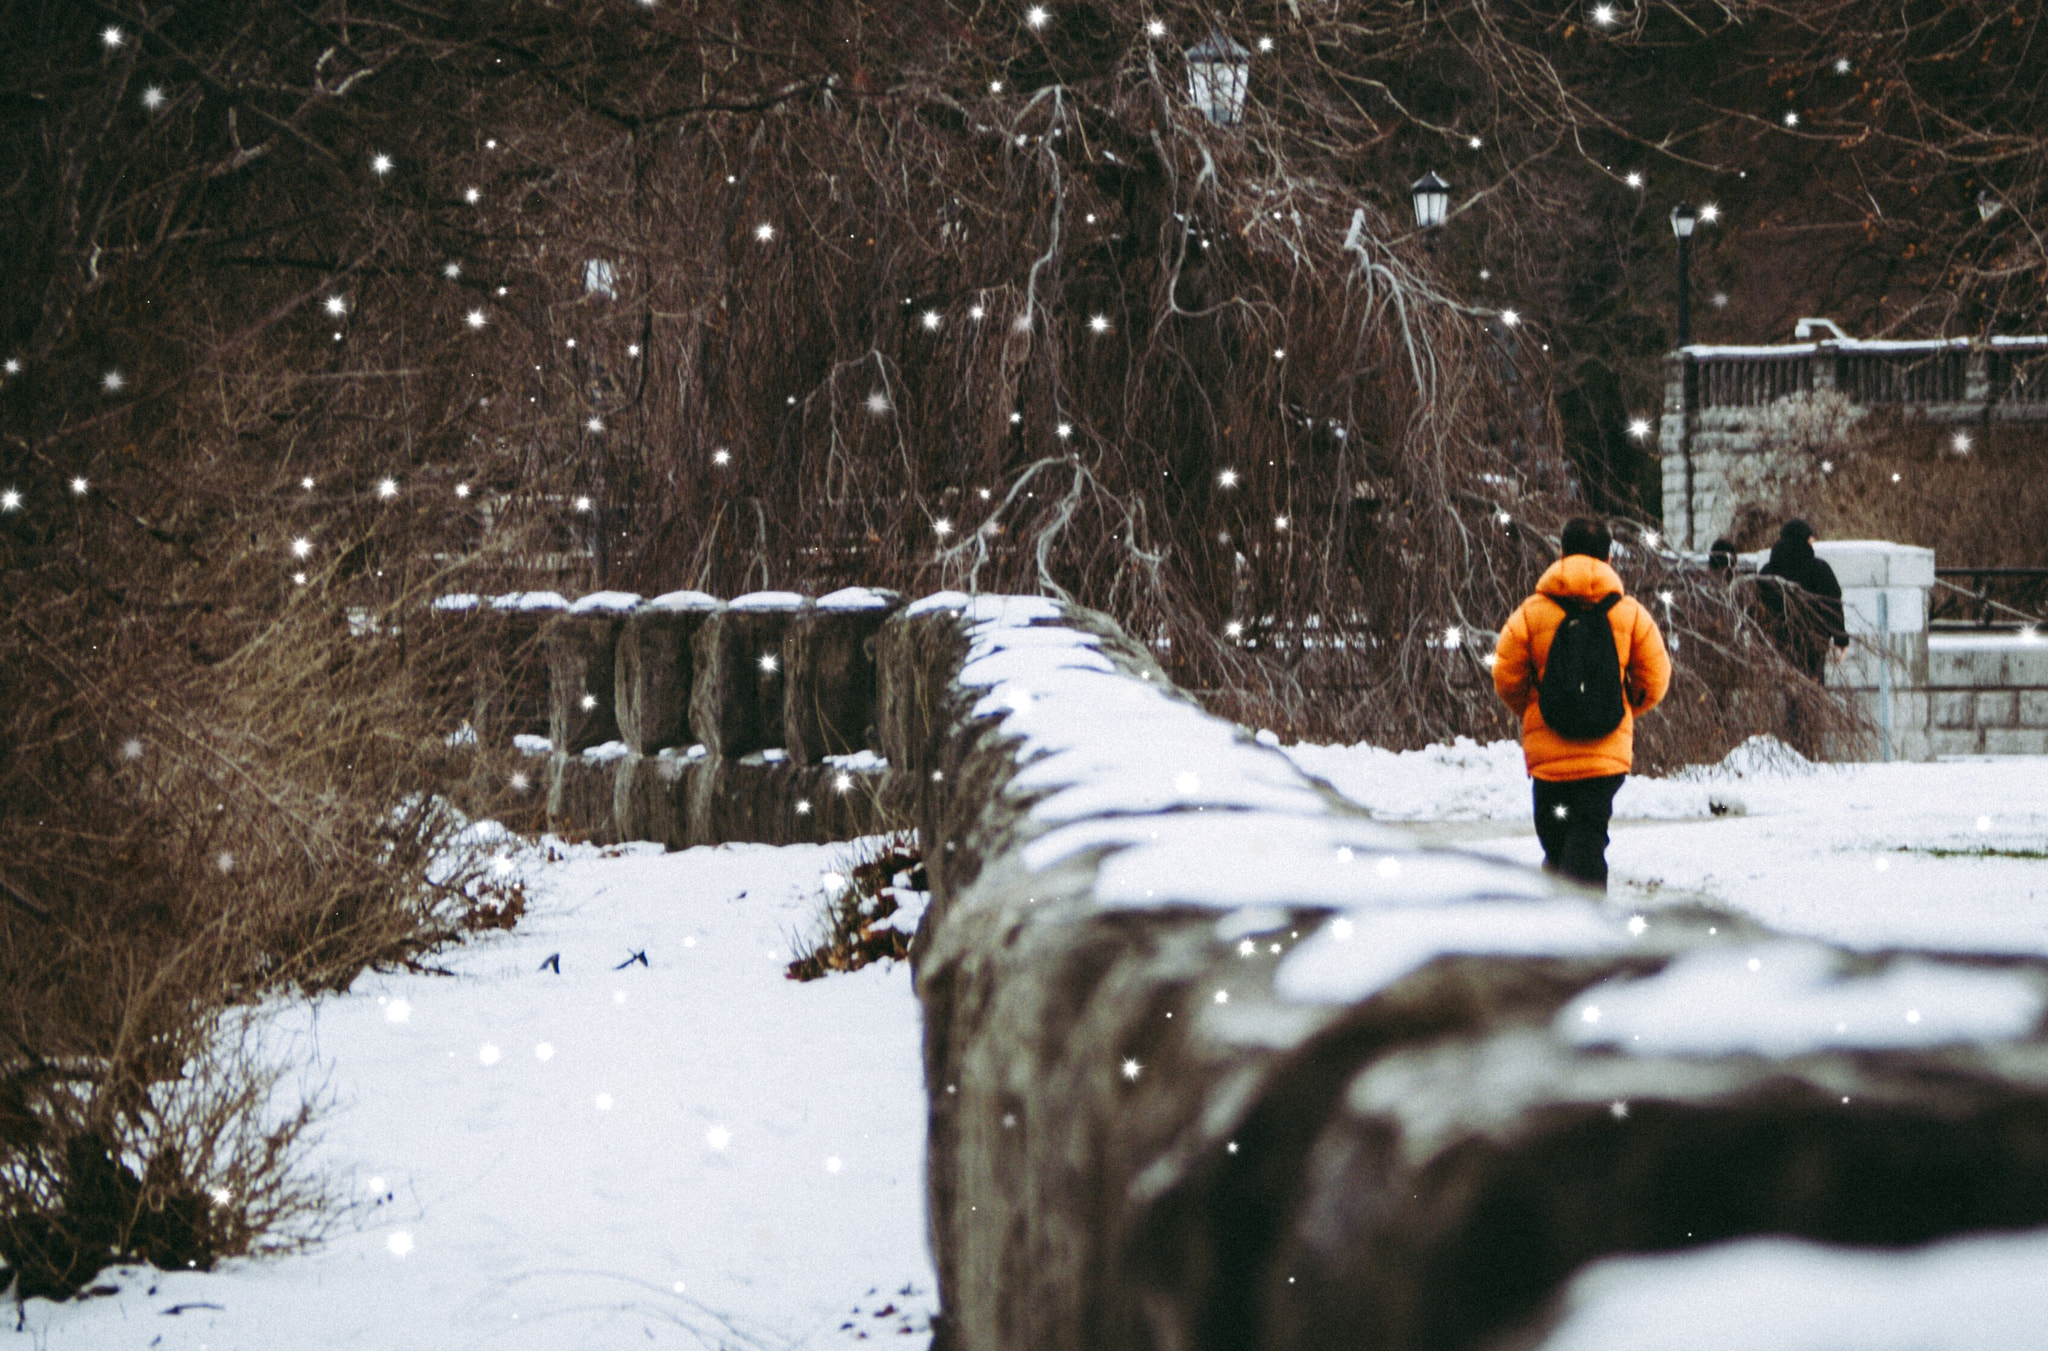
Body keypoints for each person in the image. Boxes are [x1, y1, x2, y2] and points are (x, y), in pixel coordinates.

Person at [1493, 518, 1672, 891]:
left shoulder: (1530, 612)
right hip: (1604, 756)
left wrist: (1535, 708)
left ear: (1560, 552)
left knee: (1557, 841)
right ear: (1609, 557)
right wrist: (1622, 706)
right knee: (1588, 835)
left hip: (1550, 759)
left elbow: (1505, 676)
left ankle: (1566, 922)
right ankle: (1583, 926)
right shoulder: (1631, 614)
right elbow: (1656, 680)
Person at [1756, 518, 1849, 679]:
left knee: (1788, 691)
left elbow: (1759, 609)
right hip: (1813, 646)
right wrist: (1840, 639)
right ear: (1803, 540)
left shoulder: (1767, 572)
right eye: (1810, 538)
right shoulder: (1819, 569)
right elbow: (1832, 605)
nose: (1813, 542)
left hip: (1778, 645)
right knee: (1811, 694)